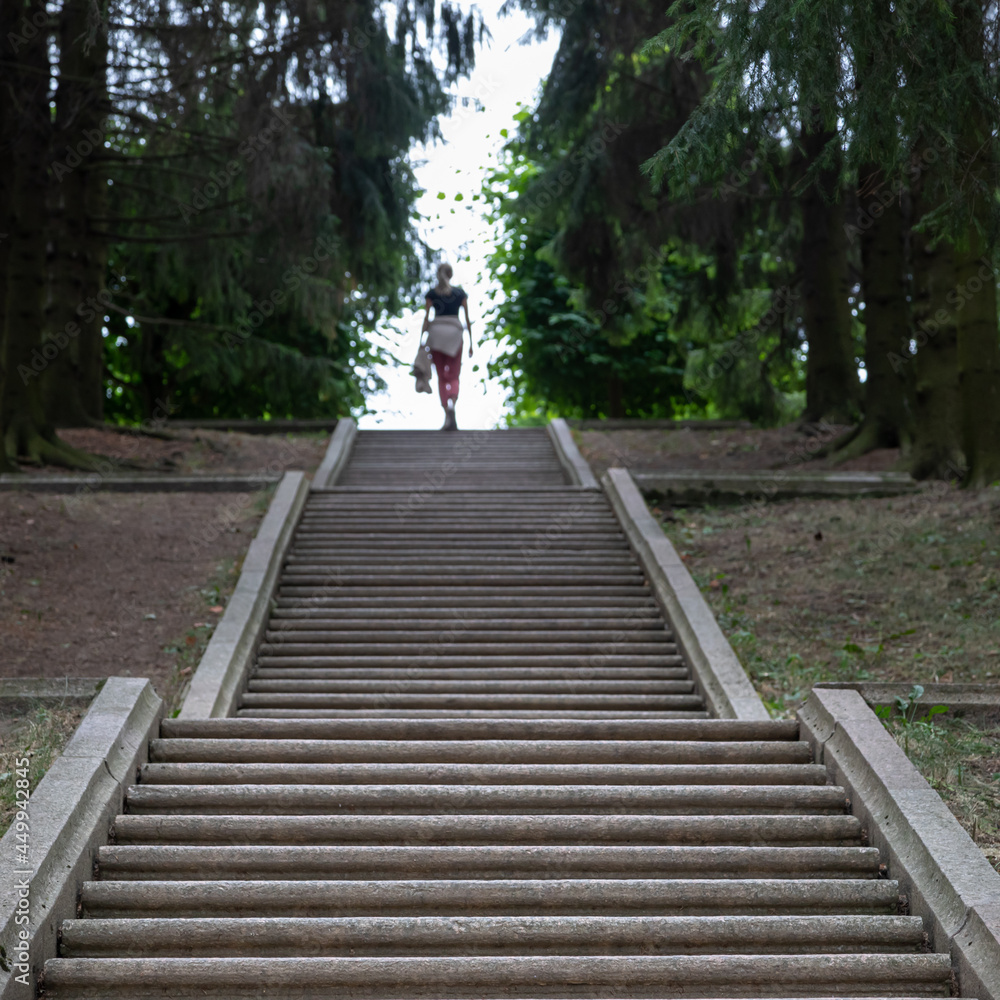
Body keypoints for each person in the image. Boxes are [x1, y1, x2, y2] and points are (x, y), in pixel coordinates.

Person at [421, 263, 473, 430]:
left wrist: (421, 341)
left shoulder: (432, 293)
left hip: (436, 336)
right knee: (454, 374)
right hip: (454, 336)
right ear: (451, 275)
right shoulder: (459, 293)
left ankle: (446, 411)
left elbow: (426, 318)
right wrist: (471, 343)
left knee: (442, 377)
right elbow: (467, 319)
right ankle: (452, 402)